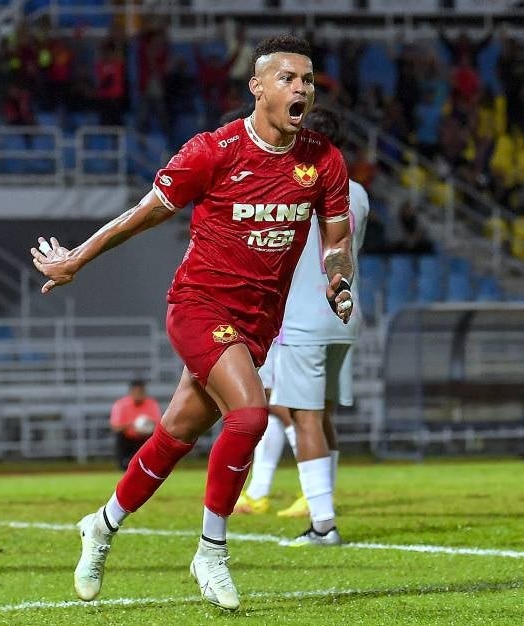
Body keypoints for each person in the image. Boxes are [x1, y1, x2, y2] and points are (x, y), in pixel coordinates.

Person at [30, 35, 353, 611]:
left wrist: (338, 278)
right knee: (251, 414)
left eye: (307, 79)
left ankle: (101, 526)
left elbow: (337, 240)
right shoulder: (213, 151)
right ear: (257, 88)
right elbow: (141, 215)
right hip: (199, 306)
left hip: (258, 323)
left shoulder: (322, 160)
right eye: (287, 78)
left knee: (176, 433)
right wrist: (77, 258)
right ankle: (211, 550)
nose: (300, 87)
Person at [234, 108, 370, 547]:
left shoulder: (300, 186)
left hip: (302, 319)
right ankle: (318, 504)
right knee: (323, 414)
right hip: (345, 314)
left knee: (300, 415)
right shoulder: (359, 193)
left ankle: (323, 523)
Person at [109, 380, 162, 471]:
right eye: (135, 392)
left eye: (140, 392)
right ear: (131, 392)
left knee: (156, 437)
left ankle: (154, 466)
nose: (138, 395)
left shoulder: (152, 404)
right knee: (119, 436)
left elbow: (158, 426)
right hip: (127, 439)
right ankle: (123, 464)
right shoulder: (121, 405)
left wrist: (148, 426)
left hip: (145, 439)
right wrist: (131, 425)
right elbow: (115, 427)